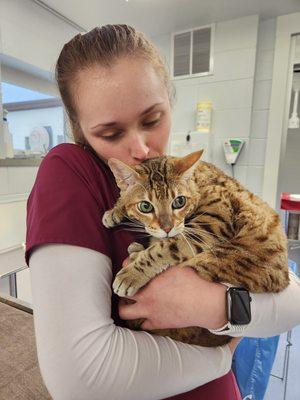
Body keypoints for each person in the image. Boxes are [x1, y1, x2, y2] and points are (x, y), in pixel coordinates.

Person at [26, 25, 300, 400]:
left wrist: (212, 304)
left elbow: (292, 301)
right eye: (110, 133)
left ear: (170, 103)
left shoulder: (179, 176)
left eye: (153, 120)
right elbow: (81, 381)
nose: (141, 149)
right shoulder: (70, 171)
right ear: (79, 130)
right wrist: (221, 358)